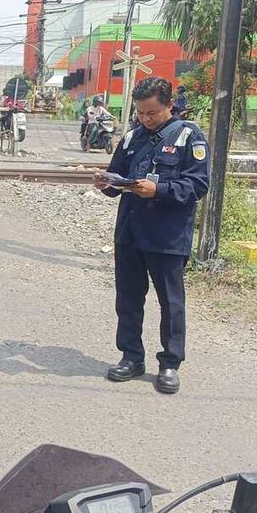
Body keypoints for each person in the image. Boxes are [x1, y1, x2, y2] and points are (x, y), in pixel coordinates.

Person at [93, 76, 208, 395]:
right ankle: (131, 357)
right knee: (128, 298)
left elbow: (198, 186)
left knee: (171, 303)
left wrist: (159, 189)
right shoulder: (131, 138)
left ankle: (170, 363)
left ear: (169, 105)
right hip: (130, 233)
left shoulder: (189, 137)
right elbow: (118, 181)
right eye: (140, 113)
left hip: (167, 237)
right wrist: (106, 184)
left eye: (152, 114)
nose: (145, 119)